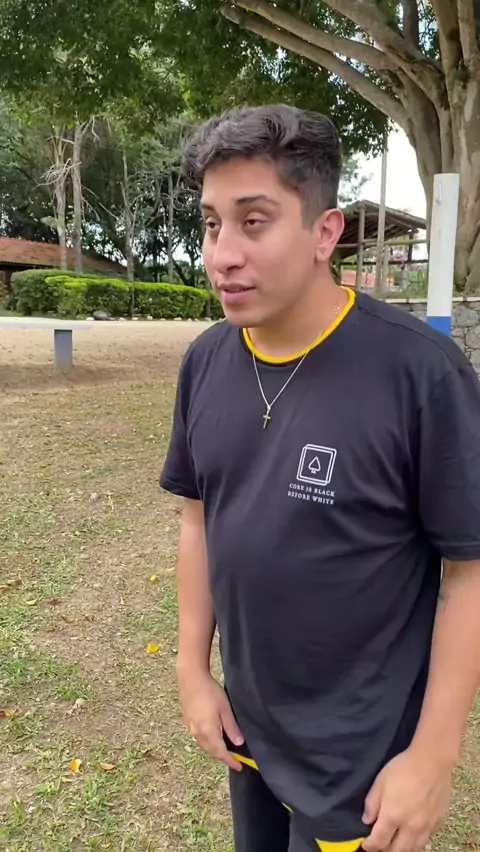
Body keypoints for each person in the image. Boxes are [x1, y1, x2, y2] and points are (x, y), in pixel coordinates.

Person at [160, 105, 480, 852]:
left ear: (324, 232)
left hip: (362, 767)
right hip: (250, 733)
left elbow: (470, 572)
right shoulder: (206, 361)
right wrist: (192, 670)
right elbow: (196, 519)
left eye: (254, 222)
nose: (223, 254)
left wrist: (434, 757)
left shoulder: (419, 374)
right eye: (211, 224)